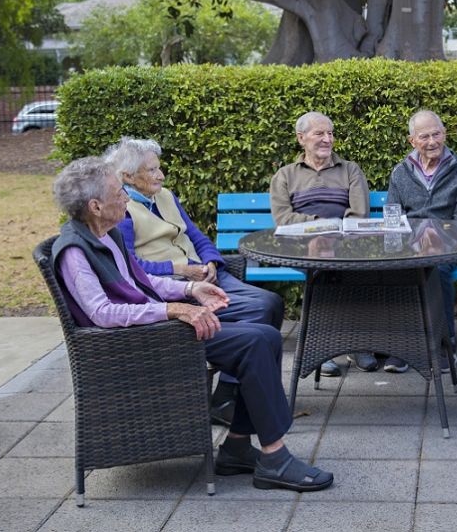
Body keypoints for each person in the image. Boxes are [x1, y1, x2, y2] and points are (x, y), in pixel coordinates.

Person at [50, 156, 333, 491]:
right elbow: (102, 313)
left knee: (267, 336)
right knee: (255, 342)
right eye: (118, 193)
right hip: (138, 343)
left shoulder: (106, 235)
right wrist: (172, 310)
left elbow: (144, 283)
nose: (126, 198)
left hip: (155, 327)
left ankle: (238, 448)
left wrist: (190, 289)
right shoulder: (74, 252)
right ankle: (274, 457)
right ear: (96, 206)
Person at [104, 137, 284, 427]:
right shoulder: (122, 211)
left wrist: (211, 260)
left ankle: (234, 390)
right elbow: (132, 267)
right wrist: (181, 269)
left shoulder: (165, 196)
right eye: (151, 171)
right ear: (127, 177)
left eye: (159, 168)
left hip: (205, 274)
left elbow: (196, 236)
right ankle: (229, 394)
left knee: (272, 302)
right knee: (259, 307)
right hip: (174, 286)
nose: (160, 176)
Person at [269, 111, 375, 376]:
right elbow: (283, 219)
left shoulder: (350, 169)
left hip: (345, 243)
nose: (327, 139)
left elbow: (359, 213)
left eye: (330, 133)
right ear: (301, 138)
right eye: (319, 133)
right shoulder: (285, 175)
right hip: (303, 246)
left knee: (347, 266)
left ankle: (345, 344)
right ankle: (329, 346)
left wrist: (334, 235)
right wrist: (318, 226)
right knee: (320, 266)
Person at [384, 110, 457, 373]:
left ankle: (445, 344)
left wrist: (440, 237)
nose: (432, 141)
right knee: (392, 270)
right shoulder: (400, 172)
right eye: (424, 136)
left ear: (444, 134)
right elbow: (393, 214)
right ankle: (403, 345)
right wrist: (405, 243)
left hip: (448, 243)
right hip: (410, 245)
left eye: (436, 134)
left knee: (437, 268)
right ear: (412, 141)